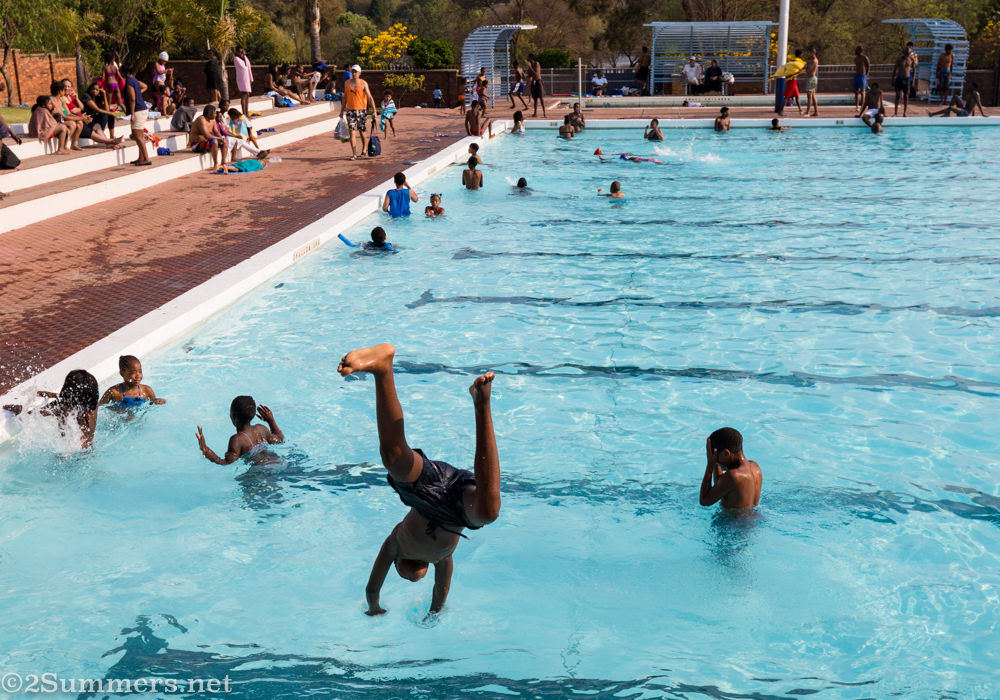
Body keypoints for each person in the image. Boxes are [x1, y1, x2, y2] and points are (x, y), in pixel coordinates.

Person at [336, 343, 501, 616]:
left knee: (394, 459)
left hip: (424, 495)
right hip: (457, 512)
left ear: (397, 564)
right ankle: (482, 404)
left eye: (400, 574)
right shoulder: (442, 559)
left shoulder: (394, 545)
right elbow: (440, 591)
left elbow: (372, 588)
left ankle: (383, 368)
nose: (410, 579)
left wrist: (374, 608)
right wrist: (434, 613)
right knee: (489, 512)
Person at [4, 370, 100, 448]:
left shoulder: (61, 408)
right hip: (88, 448)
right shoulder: (93, 406)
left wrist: (19, 409)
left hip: (68, 454)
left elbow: (34, 413)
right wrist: (51, 394)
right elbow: (71, 399)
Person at [196, 396, 284, 464]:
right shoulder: (262, 429)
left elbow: (225, 462)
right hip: (278, 461)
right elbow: (280, 439)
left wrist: (205, 450)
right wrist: (271, 421)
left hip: (260, 471)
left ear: (233, 417)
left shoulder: (237, 439)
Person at [698, 427, 762, 510]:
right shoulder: (755, 467)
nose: (715, 460)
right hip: (754, 515)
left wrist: (710, 465)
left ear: (726, 453)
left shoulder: (733, 476)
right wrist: (716, 462)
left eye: (716, 457)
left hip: (732, 518)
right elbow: (721, 488)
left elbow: (704, 501)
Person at [99, 355, 165, 407]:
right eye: (133, 372)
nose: (138, 376)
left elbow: (151, 405)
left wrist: (159, 401)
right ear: (122, 373)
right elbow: (98, 407)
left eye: (140, 371)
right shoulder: (114, 392)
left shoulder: (146, 390)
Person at [340, 64, 376, 160]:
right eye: (352, 71)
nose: (354, 73)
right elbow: (345, 97)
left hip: (361, 110)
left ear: (360, 73)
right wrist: (341, 111)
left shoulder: (363, 83)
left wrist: (374, 110)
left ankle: (364, 149)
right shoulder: (347, 83)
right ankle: (354, 154)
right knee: (352, 132)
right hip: (350, 110)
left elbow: (369, 97)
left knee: (362, 132)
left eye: (356, 71)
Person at [77, 80, 125, 149]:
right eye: (93, 89)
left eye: (97, 90)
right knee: (99, 124)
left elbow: (106, 109)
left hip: (93, 119)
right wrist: (112, 113)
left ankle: (111, 138)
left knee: (107, 115)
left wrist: (104, 95)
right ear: (90, 89)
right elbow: (97, 109)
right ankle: (110, 142)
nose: (94, 91)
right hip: (86, 118)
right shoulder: (86, 96)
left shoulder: (98, 97)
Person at [120, 64, 151, 166]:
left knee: (138, 137)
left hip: (137, 111)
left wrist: (132, 114)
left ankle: (146, 159)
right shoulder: (134, 80)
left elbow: (132, 99)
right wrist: (138, 93)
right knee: (139, 136)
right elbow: (145, 86)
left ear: (124, 72)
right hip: (141, 109)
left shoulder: (129, 82)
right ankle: (141, 158)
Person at [50, 80, 86, 151]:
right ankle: (64, 146)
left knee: (80, 123)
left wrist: (81, 118)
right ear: (59, 91)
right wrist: (81, 118)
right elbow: (63, 116)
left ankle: (73, 145)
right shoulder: (52, 100)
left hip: (63, 120)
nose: (65, 91)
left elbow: (68, 113)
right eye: (63, 89)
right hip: (56, 122)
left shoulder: (61, 99)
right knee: (72, 124)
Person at [189, 104, 226, 171]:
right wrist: (220, 138)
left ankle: (223, 162)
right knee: (214, 141)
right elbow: (207, 135)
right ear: (209, 114)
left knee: (225, 140)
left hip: (206, 142)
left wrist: (222, 138)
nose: (216, 115)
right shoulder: (201, 119)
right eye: (214, 113)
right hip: (196, 145)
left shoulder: (213, 120)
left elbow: (216, 132)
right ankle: (216, 164)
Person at [891, 42, 919, 117]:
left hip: (907, 78)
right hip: (899, 78)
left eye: (908, 53)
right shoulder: (899, 58)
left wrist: (913, 80)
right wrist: (892, 79)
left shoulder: (911, 59)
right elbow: (895, 69)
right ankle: (895, 112)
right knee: (897, 94)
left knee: (906, 95)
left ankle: (904, 112)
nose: (906, 54)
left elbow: (914, 70)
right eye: (905, 53)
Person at [233, 46, 253, 117]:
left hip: (246, 78)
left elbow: (248, 65)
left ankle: (246, 113)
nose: (241, 53)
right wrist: (244, 56)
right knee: (244, 95)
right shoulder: (236, 59)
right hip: (242, 79)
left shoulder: (244, 58)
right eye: (240, 52)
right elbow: (243, 67)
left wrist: (244, 55)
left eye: (242, 51)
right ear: (236, 52)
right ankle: (244, 113)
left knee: (247, 95)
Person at [783, 49, 804, 115]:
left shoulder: (792, 61)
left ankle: (800, 110)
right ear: (800, 55)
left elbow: (785, 68)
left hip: (793, 81)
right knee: (787, 96)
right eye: (802, 54)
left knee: (797, 96)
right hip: (792, 80)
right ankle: (781, 110)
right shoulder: (796, 62)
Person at [526, 53, 546, 117]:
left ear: (531, 58)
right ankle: (535, 113)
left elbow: (536, 73)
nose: (527, 58)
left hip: (538, 81)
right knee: (535, 98)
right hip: (533, 82)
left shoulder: (536, 63)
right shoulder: (530, 65)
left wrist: (530, 67)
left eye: (528, 57)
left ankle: (544, 113)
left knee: (541, 97)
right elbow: (530, 75)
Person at [852, 46, 870, 111]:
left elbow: (868, 66)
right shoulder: (856, 58)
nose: (855, 51)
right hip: (857, 75)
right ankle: (857, 106)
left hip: (862, 75)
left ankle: (862, 106)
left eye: (856, 50)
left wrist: (866, 75)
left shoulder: (864, 57)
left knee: (862, 91)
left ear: (860, 50)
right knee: (855, 91)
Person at [803, 48, 819, 117]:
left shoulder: (814, 61)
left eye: (809, 52)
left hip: (811, 79)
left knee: (809, 96)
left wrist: (806, 67)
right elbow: (805, 66)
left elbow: (809, 69)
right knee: (812, 96)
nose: (808, 54)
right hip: (810, 78)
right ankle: (816, 112)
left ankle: (807, 112)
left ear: (812, 53)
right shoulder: (810, 60)